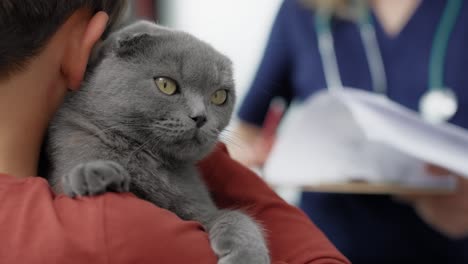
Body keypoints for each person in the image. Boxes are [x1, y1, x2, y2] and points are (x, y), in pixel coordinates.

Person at [0, 1, 351, 263]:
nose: (201, 114)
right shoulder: (117, 231)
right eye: (168, 85)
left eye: (219, 97)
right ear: (93, 50)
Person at [232, 0, 468, 263]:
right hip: (325, 248)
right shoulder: (302, 10)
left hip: (448, 247)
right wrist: (261, 169)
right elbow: (246, 134)